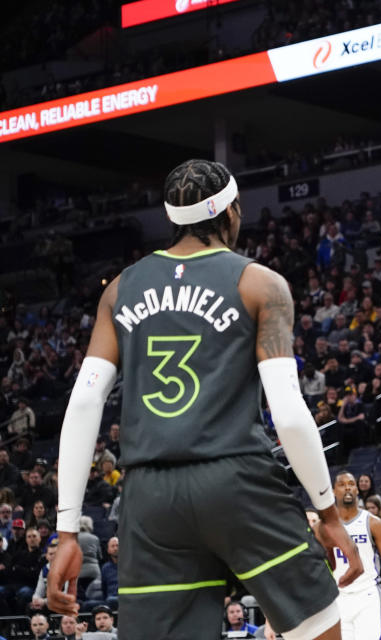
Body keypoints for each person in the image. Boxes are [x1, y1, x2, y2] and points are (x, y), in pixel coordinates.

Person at [46, 159, 361, 640]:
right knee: (316, 631)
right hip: (236, 480)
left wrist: (67, 531)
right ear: (232, 212)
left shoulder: (120, 289)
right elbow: (291, 416)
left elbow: (85, 403)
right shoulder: (260, 283)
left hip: (149, 497)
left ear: (173, 219)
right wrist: (327, 512)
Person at [330, 472, 381, 640]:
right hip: (338, 598)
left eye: (351, 483)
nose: (348, 487)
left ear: (357, 490)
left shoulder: (373, 523)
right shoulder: (326, 527)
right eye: (342, 484)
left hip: (368, 595)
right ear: (334, 491)